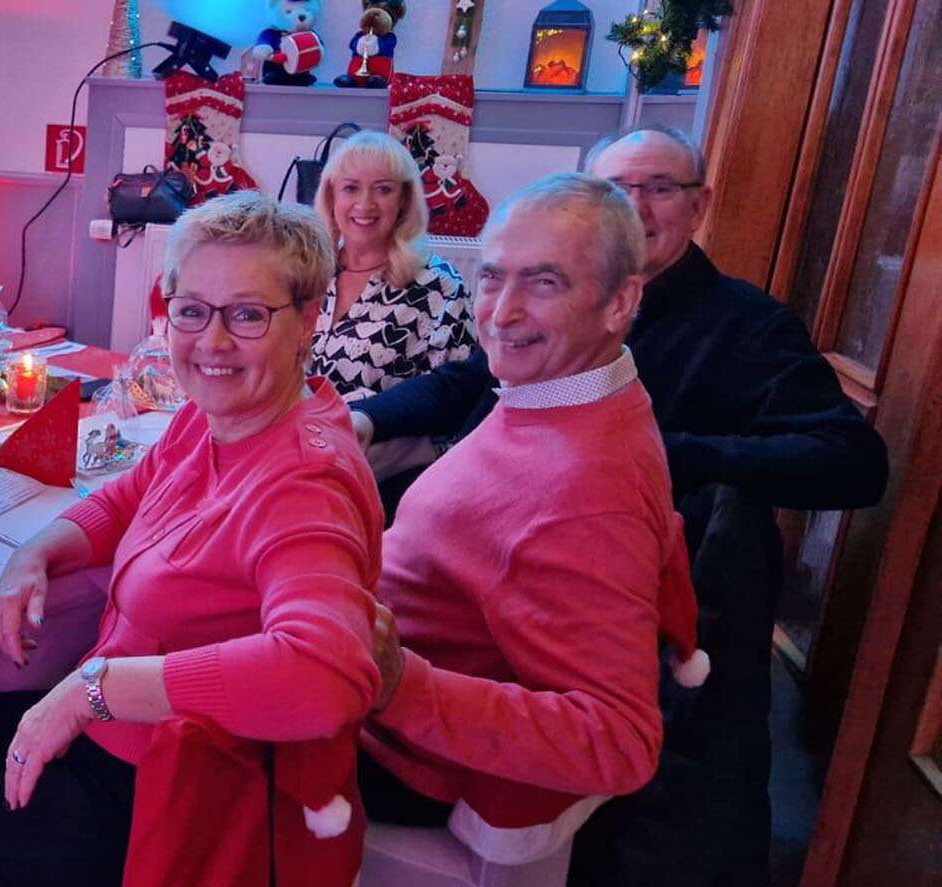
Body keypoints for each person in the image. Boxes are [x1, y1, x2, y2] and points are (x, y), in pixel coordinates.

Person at [348, 127, 888, 885]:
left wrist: (681, 457)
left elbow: (852, 461)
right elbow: (471, 378)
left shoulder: (732, 336)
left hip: (422, 732)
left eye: (657, 188)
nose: (503, 310)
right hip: (453, 646)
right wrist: (360, 421)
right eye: (493, 278)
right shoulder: (565, 379)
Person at [0, 192, 384, 886]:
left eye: (247, 315)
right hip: (116, 737)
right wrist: (37, 552)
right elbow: (127, 496)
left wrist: (94, 689)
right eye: (192, 310)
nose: (212, 342)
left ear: (308, 319)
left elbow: (325, 677)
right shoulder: (214, 418)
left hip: (177, 795)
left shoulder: (303, 483)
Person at [360, 174, 690, 862]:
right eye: (492, 277)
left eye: (544, 283)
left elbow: (621, 741)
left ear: (620, 302)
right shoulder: (556, 392)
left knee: (141, 746)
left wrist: (401, 684)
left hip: (388, 748)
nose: (501, 313)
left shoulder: (591, 488)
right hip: (360, 665)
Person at [311, 131, 475, 402]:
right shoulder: (308, 272)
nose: (365, 204)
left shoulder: (441, 286)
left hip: (383, 430)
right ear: (331, 198)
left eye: (383, 189)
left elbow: (458, 398)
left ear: (404, 200)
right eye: (351, 188)